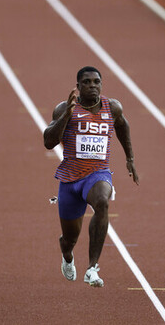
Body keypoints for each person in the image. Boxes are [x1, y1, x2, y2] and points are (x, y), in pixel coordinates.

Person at [44, 66, 138, 287]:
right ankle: (67, 254)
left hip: (97, 173)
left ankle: (92, 268)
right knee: (70, 239)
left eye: (96, 82)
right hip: (70, 179)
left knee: (103, 202)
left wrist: (130, 158)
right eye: (86, 82)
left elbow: (123, 126)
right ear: (78, 86)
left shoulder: (112, 107)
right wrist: (65, 117)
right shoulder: (64, 108)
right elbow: (48, 142)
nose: (92, 86)